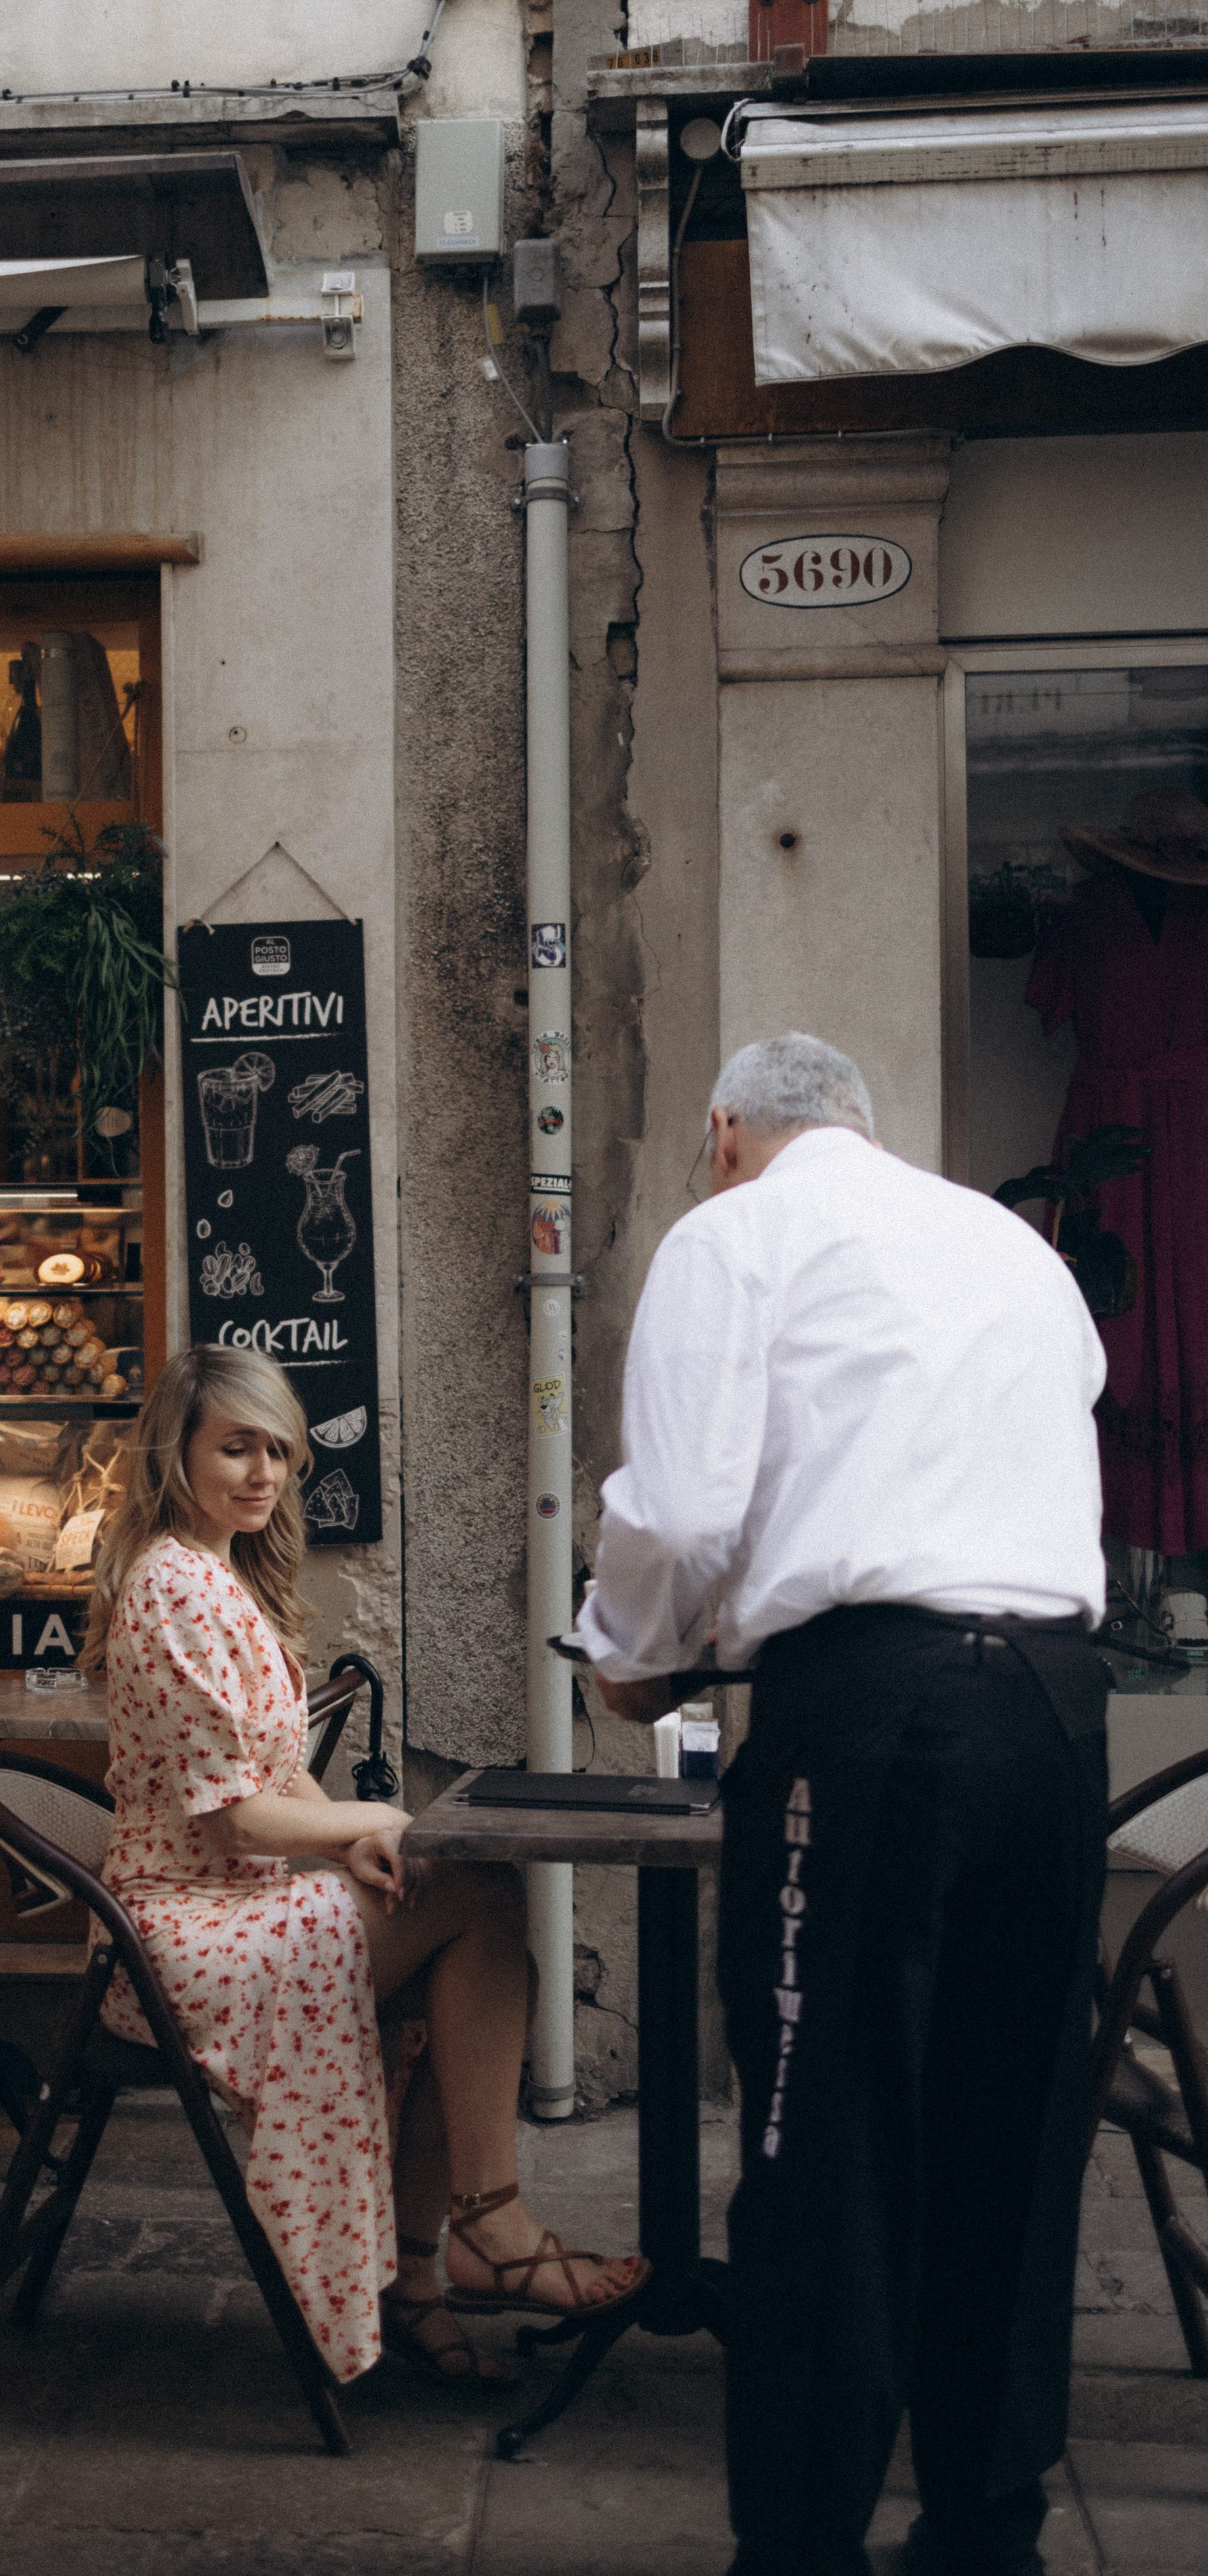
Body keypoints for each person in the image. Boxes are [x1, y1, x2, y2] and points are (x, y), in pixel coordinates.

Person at [573, 1034, 1110, 2576]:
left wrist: (632, 1657)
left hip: (873, 1713)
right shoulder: (1011, 1248)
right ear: (866, 1128)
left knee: (821, 2131)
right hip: (1054, 1705)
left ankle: (801, 2543)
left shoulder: (733, 1232)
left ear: (726, 1128)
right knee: (1005, 2129)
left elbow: (680, 1510)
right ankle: (982, 2528)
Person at [82, 1342, 647, 2388]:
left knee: (455, 1914)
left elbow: (275, 1774)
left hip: (234, 1898)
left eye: (278, 1452)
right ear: (178, 1452)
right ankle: (483, 2229)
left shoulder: (218, 1574)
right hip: (180, 1929)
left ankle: (426, 2276)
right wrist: (369, 1819)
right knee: (475, 1897)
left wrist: (354, 1833)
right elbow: (230, 1821)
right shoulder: (172, 1586)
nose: (261, 1472)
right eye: (235, 1447)